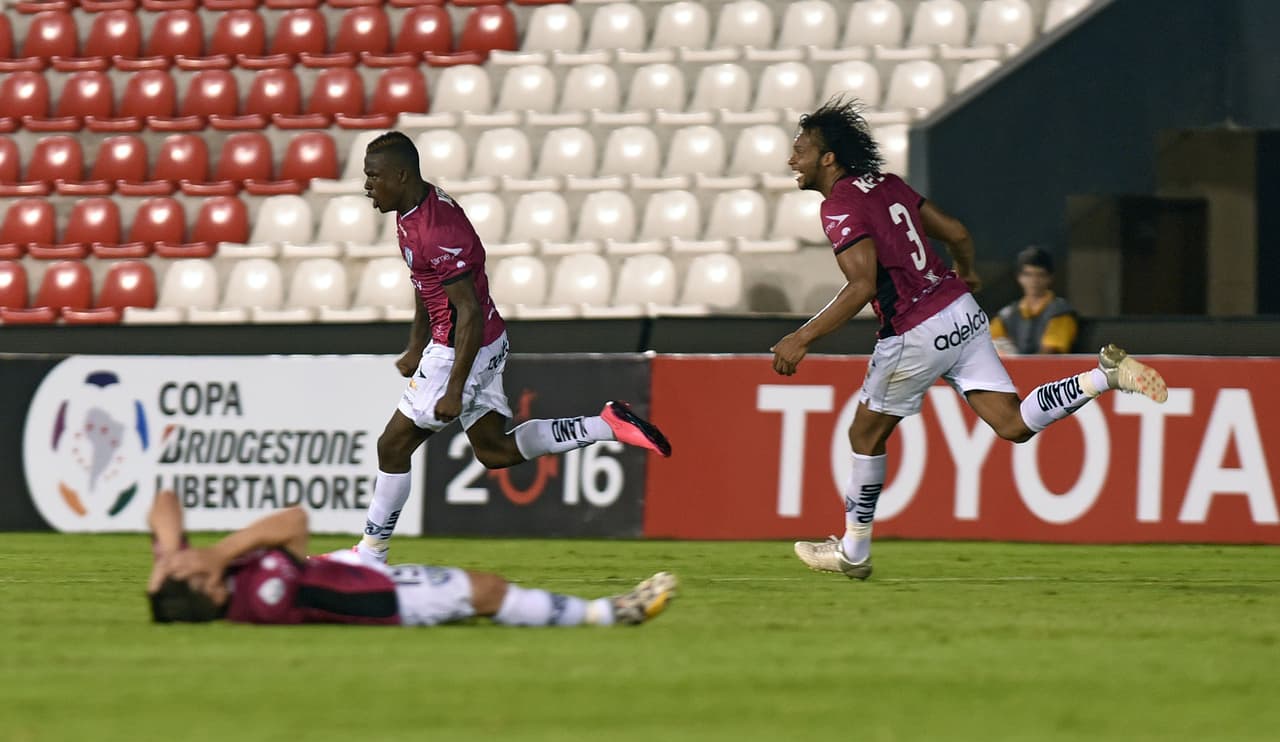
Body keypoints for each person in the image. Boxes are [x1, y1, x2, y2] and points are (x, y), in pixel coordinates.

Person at [771, 98, 1169, 580]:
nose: (792, 160)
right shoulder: (889, 185)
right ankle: (1104, 376)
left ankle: (854, 551)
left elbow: (861, 286)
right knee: (1013, 423)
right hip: (960, 310)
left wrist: (801, 337)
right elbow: (957, 232)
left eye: (800, 151)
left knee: (864, 435)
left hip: (914, 329)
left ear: (828, 157)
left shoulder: (838, 205)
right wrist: (966, 272)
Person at [357, 131, 671, 564]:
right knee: (494, 451)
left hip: (460, 348)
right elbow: (425, 281)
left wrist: (454, 388)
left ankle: (371, 554)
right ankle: (606, 425)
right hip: (484, 340)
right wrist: (415, 343)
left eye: (373, 176)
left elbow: (466, 311)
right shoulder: (413, 210)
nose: (367, 186)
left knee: (392, 447)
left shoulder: (434, 229)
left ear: (401, 175)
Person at [146, 491, 677, 627]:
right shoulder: (265, 597)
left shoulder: (194, 580)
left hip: (339, 568)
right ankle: (608, 614)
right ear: (209, 591)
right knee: (486, 590)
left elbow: (163, 501)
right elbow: (294, 523)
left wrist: (169, 555)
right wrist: (217, 553)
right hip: (372, 598)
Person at [990, 246, 1078, 355]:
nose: (1034, 280)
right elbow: (989, 343)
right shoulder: (1007, 315)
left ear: (1050, 278)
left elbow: (1050, 352)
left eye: (1040, 275)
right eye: (1028, 274)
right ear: (1019, 277)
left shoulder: (1060, 312)